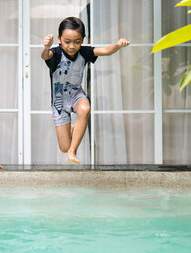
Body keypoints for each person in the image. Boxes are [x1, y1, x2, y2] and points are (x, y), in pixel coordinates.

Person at [41, 16, 130, 164]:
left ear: (83, 39)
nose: (72, 46)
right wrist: (46, 47)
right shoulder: (56, 53)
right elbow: (45, 55)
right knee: (64, 146)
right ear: (59, 39)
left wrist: (118, 45)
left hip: (76, 95)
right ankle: (73, 134)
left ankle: (72, 152)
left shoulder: (84, 52)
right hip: (59, 102)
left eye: (77, 42)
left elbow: (106, 51)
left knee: (85, 109)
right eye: (67, 41)